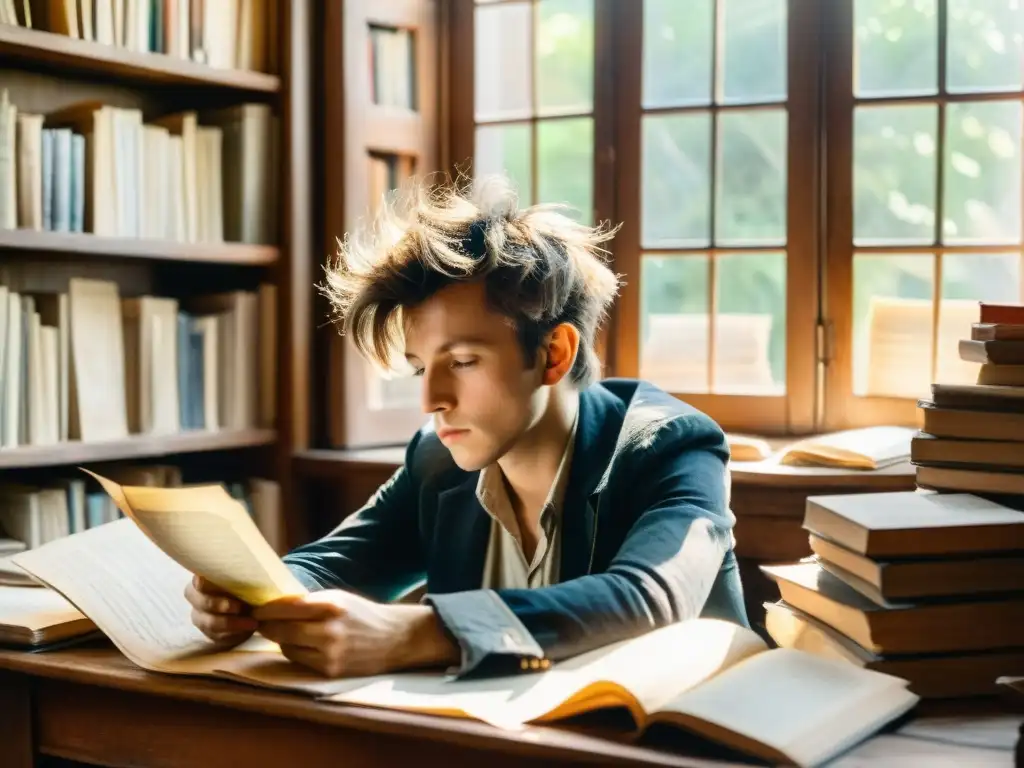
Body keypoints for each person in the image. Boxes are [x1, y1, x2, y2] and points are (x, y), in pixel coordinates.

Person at [185, 175, 748, 679]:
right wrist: (245, 593)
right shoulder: (437, 459)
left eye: (463, 362)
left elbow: (649, 598)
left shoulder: (671, 445)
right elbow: (329, 566)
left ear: (553, 353)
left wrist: (416, 633)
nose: (432, 400)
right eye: (419, 368)